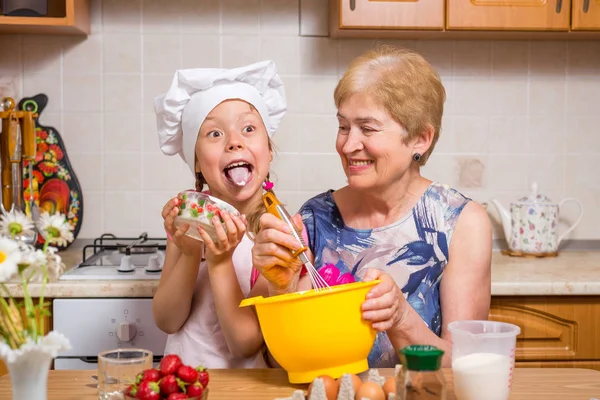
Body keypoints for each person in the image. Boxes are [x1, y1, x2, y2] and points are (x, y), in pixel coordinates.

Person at [251, 46, 492, 368]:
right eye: (343, 127)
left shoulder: (460, 223)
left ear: (420, 138)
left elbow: (466, 364)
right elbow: (283, 363)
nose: (349, 145)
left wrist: (402, 317)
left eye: (367, 128)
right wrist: (282, 288)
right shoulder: (314, 218)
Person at [152, 60, 287, 368]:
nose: (234, 141)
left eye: (249, 128)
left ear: (268, 149)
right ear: (197, 161)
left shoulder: (275, 231)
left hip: (241, 389)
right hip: (183, 384)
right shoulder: (188, 218)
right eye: (214, 133)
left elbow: (245, 344)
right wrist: (188, 254)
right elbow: (167, 320)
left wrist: (220, 260)